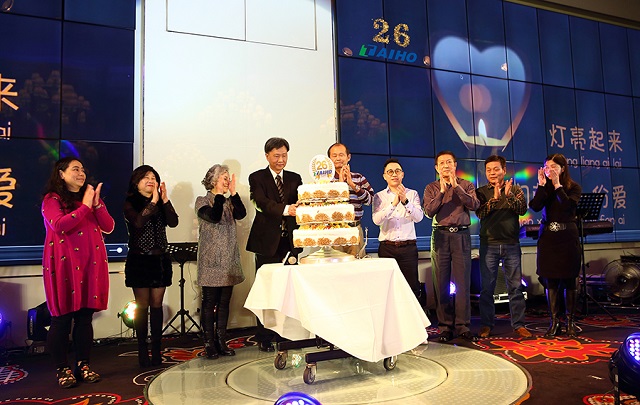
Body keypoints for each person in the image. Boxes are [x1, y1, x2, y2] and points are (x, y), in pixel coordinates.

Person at [41, 157, 115, 388]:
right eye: (75, 169)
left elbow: (109, 226)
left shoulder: (89, 199)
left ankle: (83, 365)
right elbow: (59, 225)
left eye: (82, 169)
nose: (81, 173)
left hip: (90, 264)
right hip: (64, 265)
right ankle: (62, 368)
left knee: (84, 318)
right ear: (61, 174)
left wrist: (97, 205)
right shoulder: (52, 199)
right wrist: (85, 206)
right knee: (62, 318)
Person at [246, 137, 302, 352]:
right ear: (267, 156)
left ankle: (287, 333)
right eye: (277, 155)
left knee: (288, 290)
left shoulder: (295, 178)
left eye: (284, 155)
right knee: (267, 289)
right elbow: (261, 203)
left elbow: (301, 202)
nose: (281, 160)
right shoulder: (257, 178)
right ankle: (265, 335)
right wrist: (286, 209)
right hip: (266, 243)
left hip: (289, 242)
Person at [123, 165, 178, 367]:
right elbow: (138, 222)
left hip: (159, 260)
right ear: (136, 182)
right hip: (140, 260)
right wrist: (153, 201)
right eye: (146, 177)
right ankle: (142, 350)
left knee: (157, 306)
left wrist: (164, 200)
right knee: (142, 306)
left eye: (153, 177)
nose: (150, 180)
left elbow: (173, 222)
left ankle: (156, 350)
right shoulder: (131, 202)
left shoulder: (161, 202)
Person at [424, 151, 480, 342]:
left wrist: (456, 187)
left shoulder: (466, 184)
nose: (446, 165)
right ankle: (445, 326)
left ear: (455, 165)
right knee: (441, 283)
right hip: (440, 236)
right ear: (437, 168)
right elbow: (429, 211)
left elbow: (474, 204)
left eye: (449, 162)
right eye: (442, 163)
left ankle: (463, 325)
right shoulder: (431, 187)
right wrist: (442, 191)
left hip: (461, 235)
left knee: (463, 282)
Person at [475, 155, 532, 339]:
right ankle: (486, 325)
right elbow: (480, 213)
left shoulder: (515, 189)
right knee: (487, 288)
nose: (492, 173)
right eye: (489, 170)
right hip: (488, 245)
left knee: (515, 287)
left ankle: (519, 325)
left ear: (504, 170)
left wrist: (508, 196)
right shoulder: (481, 192)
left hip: (511, 244)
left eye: (496, 169)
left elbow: (522, 210)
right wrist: (495, 198)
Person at [195, 164, 246, 359]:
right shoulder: (202, 201)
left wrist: (233, 193)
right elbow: (214, 217)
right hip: (211, 261)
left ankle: (221, 340)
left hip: (229, 259)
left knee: (225, 302)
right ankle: (209, 343)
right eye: (224, 178)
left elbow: (241, 214)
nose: (227, 181)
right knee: (209, 302)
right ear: (214, 180)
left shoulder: (229, 201)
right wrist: (218, 195)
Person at [529, 153, 582, 338]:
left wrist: (558, 185)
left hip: (567, 237)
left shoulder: (573, 187)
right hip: (548, 239)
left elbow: (567, 206)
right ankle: (554, 322)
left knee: (570, 279)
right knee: (550, 279)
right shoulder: (545, 188)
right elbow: (535, 206)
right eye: (546, 167)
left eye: (553, 167)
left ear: (562, 168)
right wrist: (541, 185)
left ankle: (570, 321)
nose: (549, 170)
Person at [372, 158, 423, 299]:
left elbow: (419, 217)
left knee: (411, 288)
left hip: (408, 248)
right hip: (387, 248)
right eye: (390, 172)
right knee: (388, 288)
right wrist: (393, 204)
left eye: (397, 171)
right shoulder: (379, 196)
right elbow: (376, 220)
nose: (394, 174)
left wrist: (405, 201)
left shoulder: (412, 194)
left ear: (402, 174)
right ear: (384, 176)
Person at [328, 142, 374, 256]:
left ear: (348, 157)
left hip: (354, 228)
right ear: (329, 159)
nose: (338, 158)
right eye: (334, 155)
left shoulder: (359, 177)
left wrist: (353, 185)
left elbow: (370, 200)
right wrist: (340, 184)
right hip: (334, 230)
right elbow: (325, 205)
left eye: (341, 155)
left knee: (357, 263)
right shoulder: (326, 181)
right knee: (335, 264)